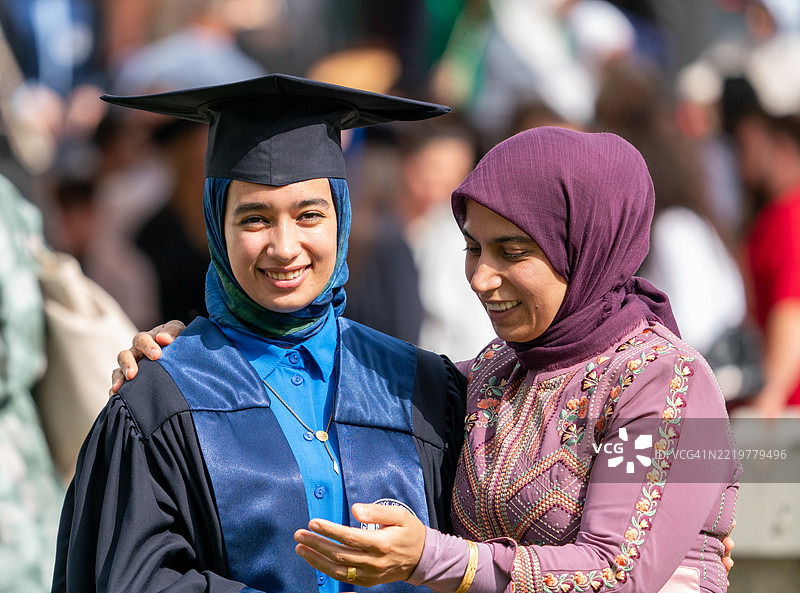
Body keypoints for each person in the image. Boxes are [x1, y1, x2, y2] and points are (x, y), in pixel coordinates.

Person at [116, 129, 740, 592]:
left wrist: (430, 559)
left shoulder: (666, 387)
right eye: (473, 248)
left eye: (513, 251)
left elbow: (617, 572)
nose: (482, 278)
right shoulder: (495, 374)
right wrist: (195, 356)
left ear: (588, 246)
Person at [51, 74, 466, 593]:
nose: (284, 247)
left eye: (309, 215)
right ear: (216, 226)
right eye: (254, 219)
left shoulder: (420, 384)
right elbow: (130, 581)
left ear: (341, 218)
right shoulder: (161, 398)